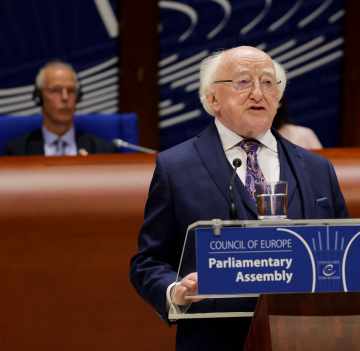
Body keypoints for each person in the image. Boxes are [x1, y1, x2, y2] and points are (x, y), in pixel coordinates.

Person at [129, 46, 348, 351]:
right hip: (215, 340)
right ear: (212, 98)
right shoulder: (175, 168)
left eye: (269, 83)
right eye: (243, 82)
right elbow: (148, 262)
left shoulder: (317, 168)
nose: (259, 93)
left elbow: (345, 254)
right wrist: (175, 291)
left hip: (307, 336)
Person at [5, 60, 115, 156]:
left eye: (71, 91)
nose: (65, 97)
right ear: (39, 97)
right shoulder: (17, 152)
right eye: (56, 90)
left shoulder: (101, 150)